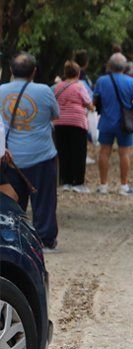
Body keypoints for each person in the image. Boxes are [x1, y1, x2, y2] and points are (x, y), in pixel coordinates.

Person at [0, 52, 60, 249]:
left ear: (10, 70)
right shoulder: (44, 91)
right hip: (41, 155)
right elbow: (55, 114)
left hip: (10, 157)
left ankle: (13, 240)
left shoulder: (1, 91)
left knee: (12, 203)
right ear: (34, 71)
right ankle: (45, 240)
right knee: (44, 200)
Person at [94, 53, 133, 196]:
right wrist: (128, 109)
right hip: (124, 123)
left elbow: (95, 101)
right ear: (125, 66)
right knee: (124, 153)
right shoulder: (131, 82)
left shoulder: (101, 81)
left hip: (106, 122)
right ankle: (124, 186)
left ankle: (103, 186)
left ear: (109, 65)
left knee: (104, 152)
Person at [53, 61, 94, 194]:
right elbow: (88, 103)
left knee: (64, 152)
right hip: (77, 122)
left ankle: (66, 182)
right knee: (78, 153)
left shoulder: (58, 86)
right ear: (78, 73)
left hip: (60, 122)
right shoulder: (79, 86)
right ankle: (78, 183)